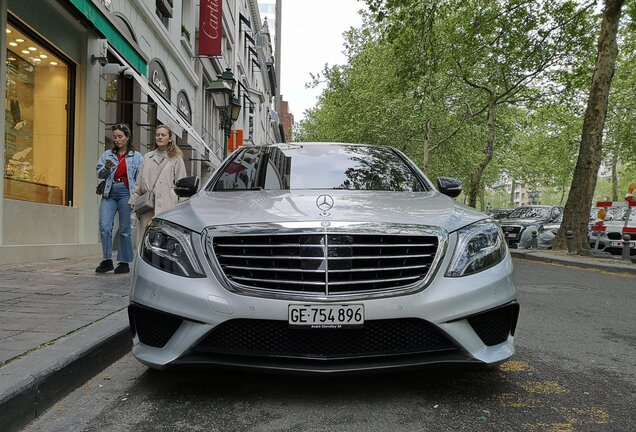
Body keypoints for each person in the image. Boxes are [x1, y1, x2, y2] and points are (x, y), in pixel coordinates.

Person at [96, 123, 144, 274]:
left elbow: (140, 178)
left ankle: (124, 262)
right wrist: (107, 168)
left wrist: (136, 197)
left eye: (120, 137)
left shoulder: (137, 157)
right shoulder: (107, 155)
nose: (117, 140)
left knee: (125, 229)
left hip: (126, 193)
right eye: (115, 137)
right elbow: (99, 174)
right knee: (105, 227)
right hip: (109, 192)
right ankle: (107, 260)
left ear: (127, 137)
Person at [131, 124, 187, 243]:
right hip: (147, 206)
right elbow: (139, 182)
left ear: (170, 138)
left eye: (163, 135)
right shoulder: (147, 157)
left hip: (167, 206)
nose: (160, 137)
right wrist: (134, 201)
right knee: (145, 241)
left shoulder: (176, 159)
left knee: (164, 241)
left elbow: (181, 185)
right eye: (157, 135)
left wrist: (181, 208)